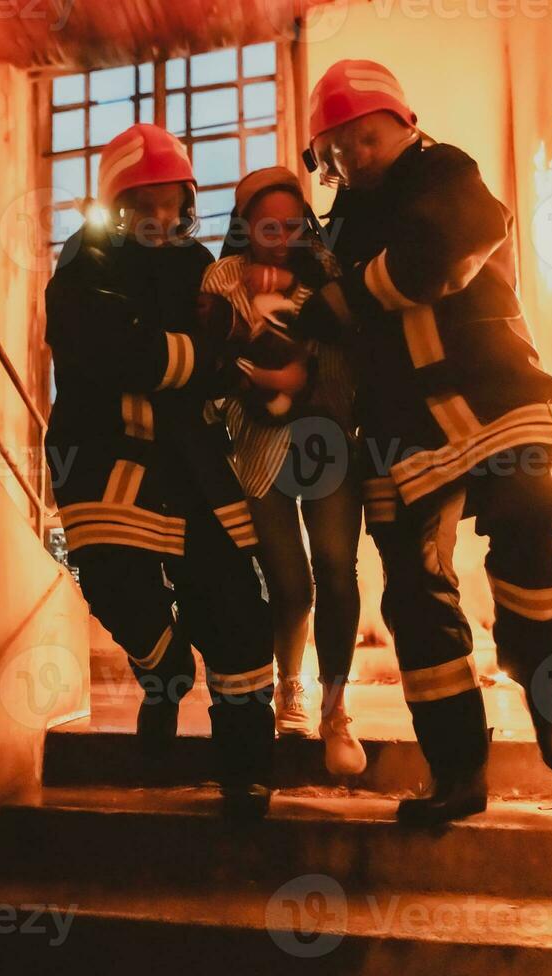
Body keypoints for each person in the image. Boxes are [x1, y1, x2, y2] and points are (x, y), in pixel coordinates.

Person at [275, 60, 552, 825]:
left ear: (405, 126)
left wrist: (347, 301)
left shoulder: (450, 172)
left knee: (527, 518)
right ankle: (456, 771)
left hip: (497, 397)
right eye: (338, 151)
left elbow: (446, 249)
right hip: (400, 429)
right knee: (416, 597)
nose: (356, 158)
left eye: (369, 139)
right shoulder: (338, 229)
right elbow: (313, 318)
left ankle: (542, 683)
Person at [44, 123, 277, 819]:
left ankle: (246, 772)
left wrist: (204, 359)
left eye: (173, 203)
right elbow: (113, 353)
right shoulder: (84, 263)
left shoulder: (199, 262)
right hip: (103, 455)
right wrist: (195, 359)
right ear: (118, 205)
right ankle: (164, 667)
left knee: (236, 610)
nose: (161, 217)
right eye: (145, 204)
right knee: (114, 580)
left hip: (195, 463)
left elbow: (217, 357)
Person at [198, 166, 366, 776]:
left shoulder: (326, 270)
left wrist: (306, 373)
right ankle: (289, 687)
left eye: (292, 224)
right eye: (267, 225)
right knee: (290, 583)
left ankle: (336, 707)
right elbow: (212, 358)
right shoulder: (222, 278)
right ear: (245, 224)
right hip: (258, 445)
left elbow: (349, 351)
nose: (281, 236)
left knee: (337, 571)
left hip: (327, 439)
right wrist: (262, 373)